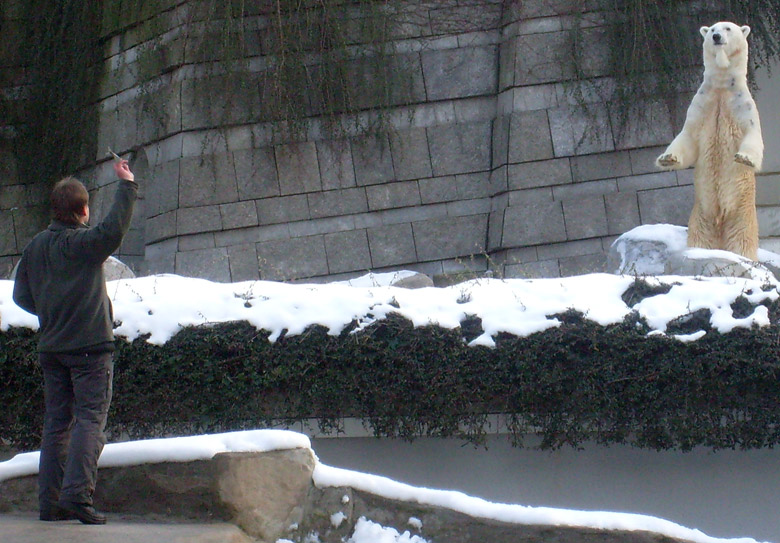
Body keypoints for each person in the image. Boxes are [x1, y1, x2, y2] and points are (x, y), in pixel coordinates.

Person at [13, 159, 138, 525]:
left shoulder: (35, 247)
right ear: (83, 210)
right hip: (90, 348)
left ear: (55, 209)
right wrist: (127, 184)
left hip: (52, 349)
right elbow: (113, 230)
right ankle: (77, 498)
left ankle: (50, 504)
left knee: (56, 424)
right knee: (88, 420)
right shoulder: (84, 244)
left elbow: (22, 297)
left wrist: (51, 313)